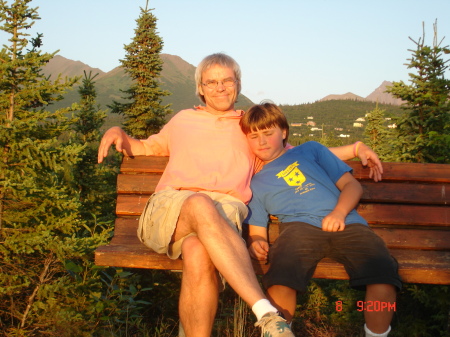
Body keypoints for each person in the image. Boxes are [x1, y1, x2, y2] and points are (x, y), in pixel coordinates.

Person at [97, 53, 383, 337]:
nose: (220, 87)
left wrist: (356, 149)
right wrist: (118, 132)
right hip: (173, 208)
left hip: (223, 214)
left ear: (238, 84)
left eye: (226, 80)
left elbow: (298, 155)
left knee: (198, 251)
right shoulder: (183, 120)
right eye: (211, 82)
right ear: (200, 88)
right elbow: (146, 147)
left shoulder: (249, 127)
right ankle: (265, 312)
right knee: (199, 202)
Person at [240, 102, 402, 337]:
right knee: (280, 274)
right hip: (298, 230)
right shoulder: (257, 182)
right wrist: (256, 242)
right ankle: (281, 331)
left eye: (268, 133)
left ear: (284, 132)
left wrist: (338, 213)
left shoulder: (311, 150)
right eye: (254, 137)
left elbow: (352, 186)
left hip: (347, 223)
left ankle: (377, 334)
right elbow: (257, 230)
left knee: (383, 272)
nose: (262, 141)